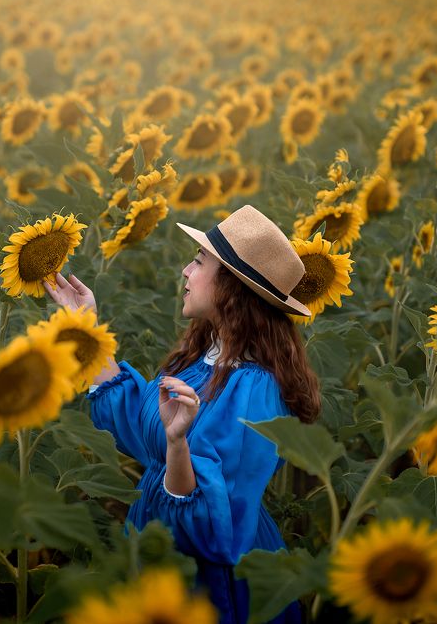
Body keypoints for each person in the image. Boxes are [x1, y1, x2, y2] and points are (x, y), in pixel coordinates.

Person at [44, 205, 321, 624]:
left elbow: (212, 527)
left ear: (231, 286)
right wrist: (85, 327)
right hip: (156, 562)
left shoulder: (256, 392)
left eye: (198, 261)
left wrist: (177, 446)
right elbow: (140, 427)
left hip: (210, 589)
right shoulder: (201, 363)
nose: (185, 271)